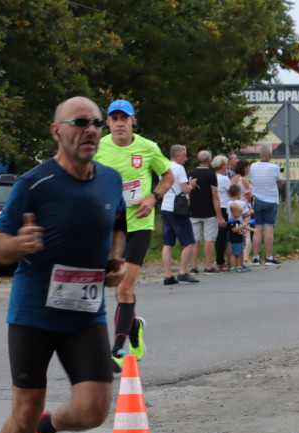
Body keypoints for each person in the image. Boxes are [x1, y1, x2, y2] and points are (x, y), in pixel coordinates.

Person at [0, 96, 127, 433]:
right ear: (57, 131)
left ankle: (49, 429)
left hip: (85, 313)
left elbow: (117, 225)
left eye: (96, 124)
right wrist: (19, 244)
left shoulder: (111, 180)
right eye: (80, 123)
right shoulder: (33, 184)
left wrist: (114, 262)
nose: (91, 130)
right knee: (24, 410)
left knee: (93, 411)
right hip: (33, 313)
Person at [95, 99, 175, 370]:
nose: (119, 123)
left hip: (139, 224)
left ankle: (116, 350)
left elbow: (168, 176)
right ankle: (134, 327)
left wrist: (153, 198)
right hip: (109, 226)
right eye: (114, 118)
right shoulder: (98, 147)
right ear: (107, 122)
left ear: (132, 122)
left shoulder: (148, 147)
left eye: (124, 118)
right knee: (118, 286)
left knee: (125, 286)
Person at [160, 144, 198, 286]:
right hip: (178, 209)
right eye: (184, 156)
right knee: (189, 242)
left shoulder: (163, 167)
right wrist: (191, 185)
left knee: (167, 243)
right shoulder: (179, 168)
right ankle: (182, 272)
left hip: (166, 206)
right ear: (178, 156)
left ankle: (167, 275)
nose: (186, 159)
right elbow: (184, 189)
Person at [188, 151, 225, 274]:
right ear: (209, 160)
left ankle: (194, 267)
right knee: (209, 239)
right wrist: (220, 217)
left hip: (193, 212)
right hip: (209, 212)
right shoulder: (211, 175)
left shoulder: (191, 174)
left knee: (194, 240)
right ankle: (208, 266)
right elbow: (215, 197)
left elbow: (188, 195)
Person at [249, 144, 283, 265]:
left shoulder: (252, 166)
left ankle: (256, 257)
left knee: (258, 229)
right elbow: (280, 183)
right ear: (269, 154)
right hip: (271, 200)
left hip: (257, 199)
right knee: (269, 229)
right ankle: (269, 257)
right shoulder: (274, 167)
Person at [226, 183, 253, 271]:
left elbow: (228, 213)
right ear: (238, 193)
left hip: (231, 227)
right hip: (239, 227)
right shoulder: (242, 203)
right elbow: (244, 215)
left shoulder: (228, 203)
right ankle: (235, 265)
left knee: (234, 247)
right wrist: (251, 212)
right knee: (239, 248)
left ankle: (239, 265)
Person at [213, 155, 232, 271]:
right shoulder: (224, 179)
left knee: (217, 236)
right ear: (222, 166)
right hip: (224, 207)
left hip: (215, 208)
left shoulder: (213, 177)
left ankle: (219, 260)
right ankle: (221, 262)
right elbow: (231, 193)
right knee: (224, 237)